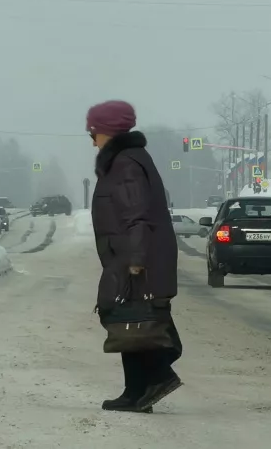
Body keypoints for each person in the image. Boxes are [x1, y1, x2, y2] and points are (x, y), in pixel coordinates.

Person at [87, 99, 182, 413]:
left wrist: (137, 259)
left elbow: (136, 215)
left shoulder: (126, 163)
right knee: (131, 323)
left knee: (128, 320)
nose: (91, 138)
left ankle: (158, 375)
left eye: (94, 131)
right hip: (126, 255)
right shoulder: (124, 160)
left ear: (109, 132)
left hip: (135, 258)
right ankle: (135, 393)